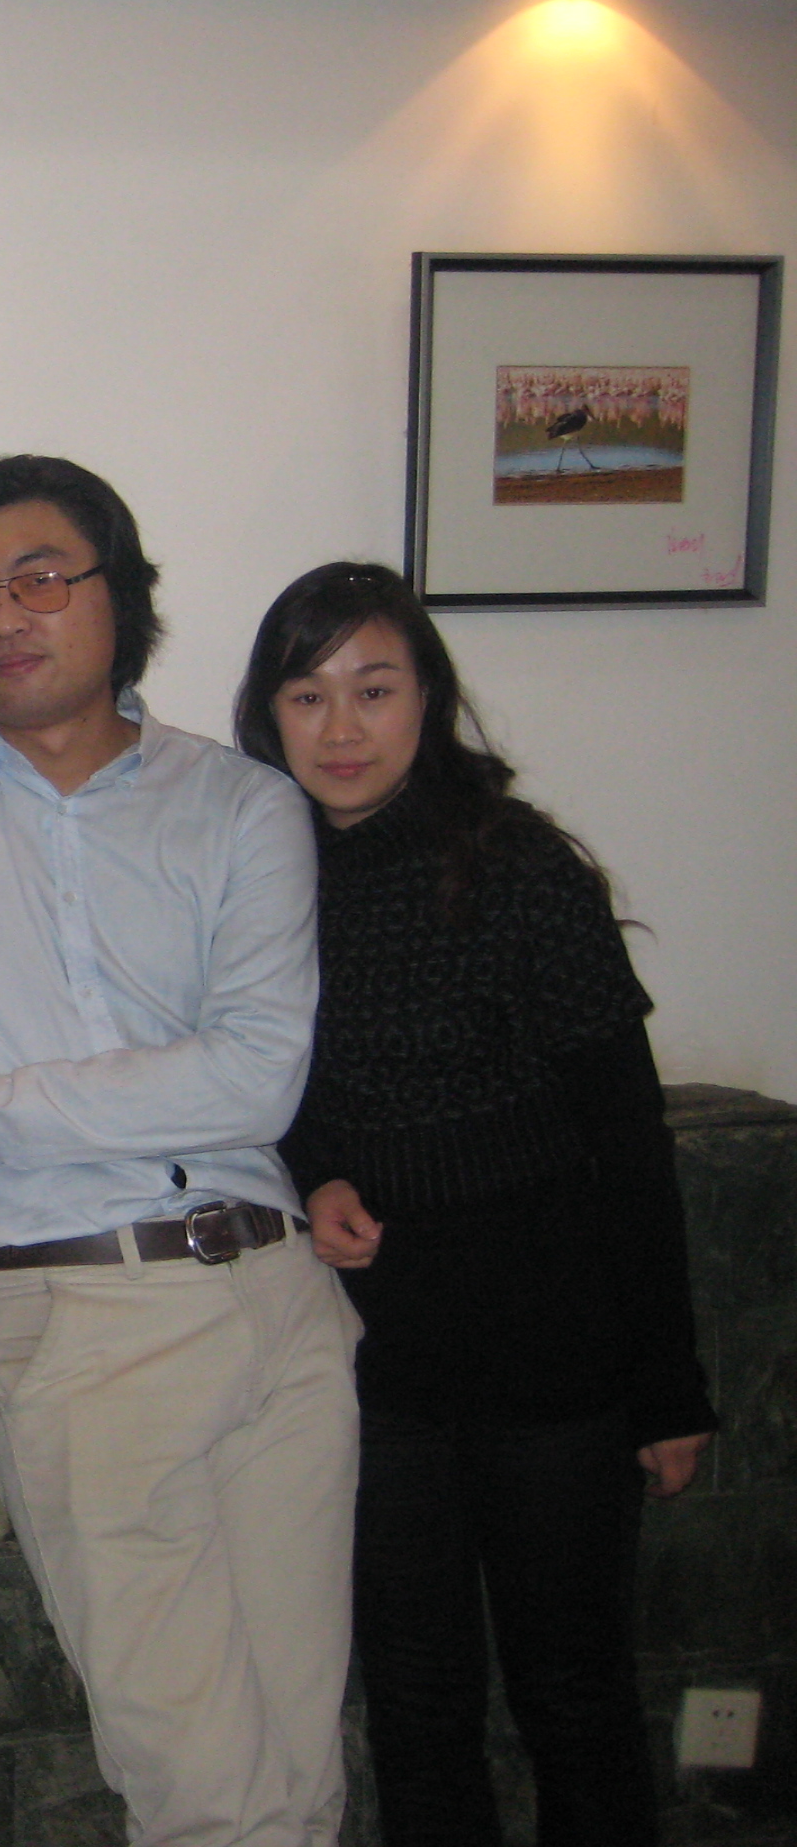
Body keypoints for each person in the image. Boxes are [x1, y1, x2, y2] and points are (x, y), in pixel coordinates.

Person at [0, 456, 355, 1847]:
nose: (5, 615)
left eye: (42, 578)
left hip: (281, 1301)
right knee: (204, 1789)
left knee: (302, 1771)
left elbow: (257, 1079)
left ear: (122, 595)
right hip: (73, 1309)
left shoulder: (244, 805)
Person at [234, 561, 714, 1847]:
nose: (341, 728)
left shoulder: (518, 865)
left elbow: (629, 1141)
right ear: (268, 715)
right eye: (307, 695)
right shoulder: (259, 880)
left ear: (429, 698)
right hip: (379, 1365)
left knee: (576, 1692)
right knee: (415, 1700)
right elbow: (266, 1083)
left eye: (375, 689)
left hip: (556, 1357)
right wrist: (317, 1172)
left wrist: (668, 1387)